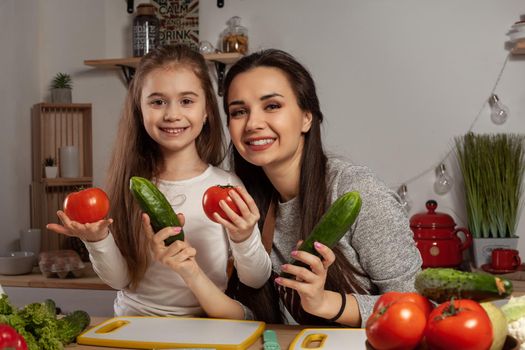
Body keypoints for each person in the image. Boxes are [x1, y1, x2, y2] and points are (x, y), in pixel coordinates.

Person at [47, 44, 271, 320]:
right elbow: (119, 280)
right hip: (135, 322)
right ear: (140, 111)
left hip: (206, 324)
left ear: (207, 112)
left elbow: (255, 279)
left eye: (187, 101)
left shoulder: (226, 185)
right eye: (157, 101)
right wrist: (97, 240)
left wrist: (244, 236)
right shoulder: (128, 185)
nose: (172, 114)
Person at [222, 49, 422, 327]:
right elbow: (251, 310)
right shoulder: (247, 203)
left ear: (307, 117)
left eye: (272, 106)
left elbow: (415, 305)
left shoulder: (357, 191)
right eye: (239, 111)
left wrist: (326, 302)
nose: (253, 123)